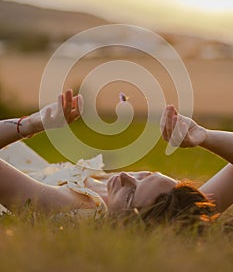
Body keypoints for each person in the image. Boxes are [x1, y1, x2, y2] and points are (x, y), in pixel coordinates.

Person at [0, 94, 233, 227]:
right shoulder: (184, 210)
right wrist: (205, 136)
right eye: (146, 176)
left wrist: (28, 125)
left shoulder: (73, 208)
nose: (124, 176)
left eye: (130, 194)